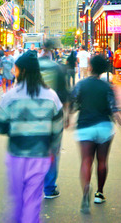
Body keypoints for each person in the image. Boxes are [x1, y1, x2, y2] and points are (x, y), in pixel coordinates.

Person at [0, 51, 63, 223]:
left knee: (17, 200)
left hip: (16, 154)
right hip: (40, 156)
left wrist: (15, 128)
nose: (13, 72)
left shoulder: (10, 96)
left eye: (16, 70)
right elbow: (57, 129)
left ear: (23, 71)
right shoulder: (52, 96)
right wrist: (52, 149)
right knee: (32, 201)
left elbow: (0, 125)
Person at [70, 54, 117, 213]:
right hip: (104, 125)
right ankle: (99, 193)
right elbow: (113, 108)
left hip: (85, 126)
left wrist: (69, 116)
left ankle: (85, 191)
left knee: (86, 160)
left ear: (90, 67)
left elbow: (73, 103)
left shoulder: (81, 84)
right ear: (103, 69)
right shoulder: (107, 86)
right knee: (102, 161)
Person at [39, 39, 69, 199]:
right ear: (53, 50)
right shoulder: (58, 68)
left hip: (32, 114)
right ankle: (49, 188)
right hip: (53, 115)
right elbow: (64, 94)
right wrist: (67, 115)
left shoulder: (33, 67)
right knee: (52, 150)